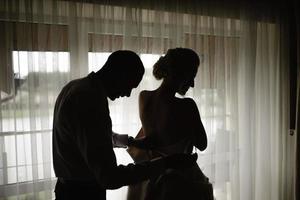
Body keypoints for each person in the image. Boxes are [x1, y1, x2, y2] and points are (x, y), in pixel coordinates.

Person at [52, 50, 197, 200]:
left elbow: (89, 138)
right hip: (82, 193)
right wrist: (166, 163)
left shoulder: (74, 87)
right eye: (130, 86)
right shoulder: (89, 100)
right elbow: (110, 177)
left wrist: (129, 142)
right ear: (120, 75)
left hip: (67, 188)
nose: (128, 94)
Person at [127, 48, 214, 200]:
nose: (192, 84)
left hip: (152, 178)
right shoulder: (187, 106)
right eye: (191, 76)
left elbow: (151, 140)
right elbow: (202, 144)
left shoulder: (145, 97)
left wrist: (127, 141)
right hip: (182, 181)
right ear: (178, 73)